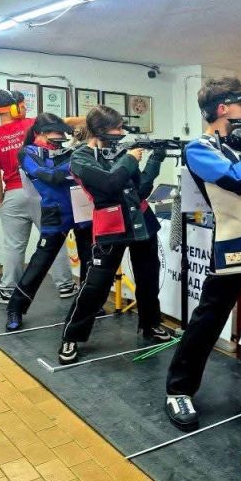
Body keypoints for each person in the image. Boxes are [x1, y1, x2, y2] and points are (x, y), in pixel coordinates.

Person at [164, 76, 241, 432]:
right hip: (235, 245)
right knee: (209, 319)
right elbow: (233, 179)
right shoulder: (198, 149)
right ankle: (178, 389)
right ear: (222, 108)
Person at [58, 105, 170, 365]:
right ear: (101, 130)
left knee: (148, 278)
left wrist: (155, 160)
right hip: (112, 226)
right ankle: (71, 336)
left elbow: (141, 190)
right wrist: (130, 158)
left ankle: (151, 324)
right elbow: (109, 184)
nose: (121, 133)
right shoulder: (81, 158)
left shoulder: (120, 151)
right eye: (117, 128)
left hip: (142, 222)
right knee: (95, 285)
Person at [0, 90, 75, 304]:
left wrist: (1, 201)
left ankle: (7, 290)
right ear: (14, 108)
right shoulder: (32, 125)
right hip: (40, 191)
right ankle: (66, 286)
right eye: (22, 105)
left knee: (13, 245)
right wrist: (91, 119)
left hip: (12, 195)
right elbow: (66, 122)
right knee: (53, 238)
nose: (24, 108)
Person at [5, 113, 93, 331]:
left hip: (81, 210)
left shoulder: (67, 151)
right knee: (40, 263)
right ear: (39, 133)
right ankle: (15, 308)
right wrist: (78, 157)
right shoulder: (27, 152)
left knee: (89, 260)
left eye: (61, 134)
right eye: (54, 134)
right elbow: (50, 175)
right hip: (55, 213)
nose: (58, 138)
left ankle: (87, 304)